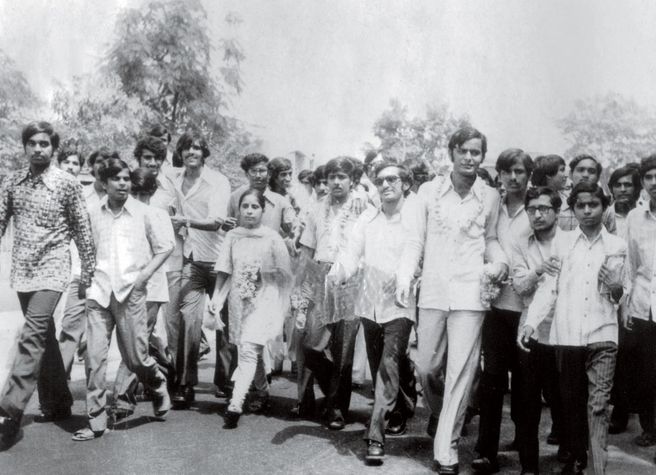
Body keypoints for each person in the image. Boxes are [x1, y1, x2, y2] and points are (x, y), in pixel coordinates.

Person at [397, 126, 508, 474]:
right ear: (452, 153)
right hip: (432, 291)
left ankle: (447, 448)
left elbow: (490, 238)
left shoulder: (490, 196)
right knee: (426, 367)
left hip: (470, 295)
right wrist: (404, 275)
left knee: (461, 371)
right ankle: (443, 411)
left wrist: (499, 260)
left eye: (477, 153)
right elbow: (415, 241)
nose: (471, 158)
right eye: (465, 151)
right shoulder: (428, 192)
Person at [519, 182, 626, 474]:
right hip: (566, 337)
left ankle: (597, 468)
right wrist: (531, 323)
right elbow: (549, 289)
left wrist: (617, 288)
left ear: (605, 207)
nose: (588, 210)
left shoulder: (617, 246)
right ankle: (579, 460)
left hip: (603, 334)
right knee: (572, 406)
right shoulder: (562, 244)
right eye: (581, 205)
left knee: (599, 406)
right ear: (573, 209)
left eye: (594, 204)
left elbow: (619, 296)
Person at [0, 122, 95, 450]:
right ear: (24, 147)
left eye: (44, 144)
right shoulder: (12, 181)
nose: (38, 149)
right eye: (32, 143)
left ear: (53, 149)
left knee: (32, 333)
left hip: (54, 269)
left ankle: (9, 409)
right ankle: (58, 401)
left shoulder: (67, 183)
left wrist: (88, 272)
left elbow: (83, 229)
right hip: (23, 271)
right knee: (43, 337)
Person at [74, 158, 174, 442]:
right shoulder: (93, 213)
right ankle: (96, 421)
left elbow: (165, 246)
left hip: (132, 293)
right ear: (103, 183)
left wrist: (143, 277)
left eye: (126, 179)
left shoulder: (145, 213)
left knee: (136, 357)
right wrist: (86, 280)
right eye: (116, 179)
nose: (122, 183)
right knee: (94, 358)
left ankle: (156, 383)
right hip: (99, 292)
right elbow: (86, 249)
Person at [330, 162, 417, 464]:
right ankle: (404, 405)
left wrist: (405, 278)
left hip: (400, 302)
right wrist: (338, 272)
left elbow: (413, 251)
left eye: (392, 179)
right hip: (369, 302)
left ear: (406, 183)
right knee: (382, 361)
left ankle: (375, 436)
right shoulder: (368, 216)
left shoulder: (414, 216)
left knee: (387, 365)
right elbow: (352, 252)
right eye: (380, 180)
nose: (385, 185)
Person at [473, 149, 534, 473]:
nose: (513, 177)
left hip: (528, 312)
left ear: (528, 175)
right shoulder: (493, 205)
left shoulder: (538, 206)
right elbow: (487, 238)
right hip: (497, 307)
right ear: (499, 174)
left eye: (520, 171)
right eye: (507, 171)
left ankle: (527, 455)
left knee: (525, 386)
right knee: (492, 381)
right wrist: (496, 262)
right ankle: (486, 452)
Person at [210, 189, 293, 429]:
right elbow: (224, 268)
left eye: (254, 207)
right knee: (247, 347)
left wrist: (263, 272)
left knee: (248, 350)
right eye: (244, 206)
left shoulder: (272, 237)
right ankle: (263, 390)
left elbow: (285, 273)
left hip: (265, 298)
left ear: (263, 211)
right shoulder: (233, 236)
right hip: (238, 299)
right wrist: (217, 297)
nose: (248, 211)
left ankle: (235, 404)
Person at [297, 156, 365, 430]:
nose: (336, 182)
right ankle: (332, 392)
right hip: (321, 274)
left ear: (353, 181)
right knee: (311, 344)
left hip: (352, 277)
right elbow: (307, 251)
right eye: (332, 177)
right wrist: (303, 287)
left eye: (342, 177)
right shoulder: (315, 209)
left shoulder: (363, 207)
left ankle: (337, 408)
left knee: (344, 348)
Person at [170, 132, 232, 409]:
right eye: (186, 148)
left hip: (221, 262)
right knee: (188, 319)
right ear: (180, 152)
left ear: (204, 153)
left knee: (225, 324)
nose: (191, 152)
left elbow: (217, 222)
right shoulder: (174, 179)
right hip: (192, 259)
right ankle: (184, 382)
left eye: (197, 148)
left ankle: (226, 381)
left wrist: (185, 220)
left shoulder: (218, 181)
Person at [111, 168, 176, 420]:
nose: (136, 198)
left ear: (152, 192)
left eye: (142, 193)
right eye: (133, 192)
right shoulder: (124, 215)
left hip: (151, 289)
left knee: (134, 343)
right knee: (140, 343)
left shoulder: (157, 215)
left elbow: (166, 249)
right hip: (124, 288)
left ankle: (122, 399)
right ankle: (164, 376)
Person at [511, 187, 565, 474]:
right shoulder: (521, 242)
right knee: (527, 399)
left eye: (544, 208)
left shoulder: (570, 240)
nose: (538, 214)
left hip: (565, 328)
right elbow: (519, 286)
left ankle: (570, 454)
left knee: (562, 396)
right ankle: (528, 465)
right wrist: (539, 270)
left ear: (557, 211)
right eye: (532, 209)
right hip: (530, 329)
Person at [58, 148, 117, 376]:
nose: (103, 167)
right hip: (80, 273)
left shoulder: (121, 197)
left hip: (109, 277)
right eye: (99, 162)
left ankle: (97, 397)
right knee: (70, 329)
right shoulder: (79, 195)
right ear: (91, 167)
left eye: (109, 162)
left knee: (99, 338)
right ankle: (57, 393)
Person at [620, 155, 656, 451]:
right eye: (649, 177)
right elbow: (631, 267)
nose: (654, 183)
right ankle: (650, 428)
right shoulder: (634, 218)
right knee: (646, 373)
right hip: (644, 305)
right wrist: (627, 305)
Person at [558, 154, 616, 233]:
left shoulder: (606, 209)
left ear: (598, 177)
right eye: (581, 170)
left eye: (591, 171)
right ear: (571, 174)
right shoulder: (558, 205)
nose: (585, 175)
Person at [608, 165, 641, 239]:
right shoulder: (604, 217)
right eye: (617, 185)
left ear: (636, 188)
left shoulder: (647, 213)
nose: (622, 189)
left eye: (628, 185)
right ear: (611, 189)